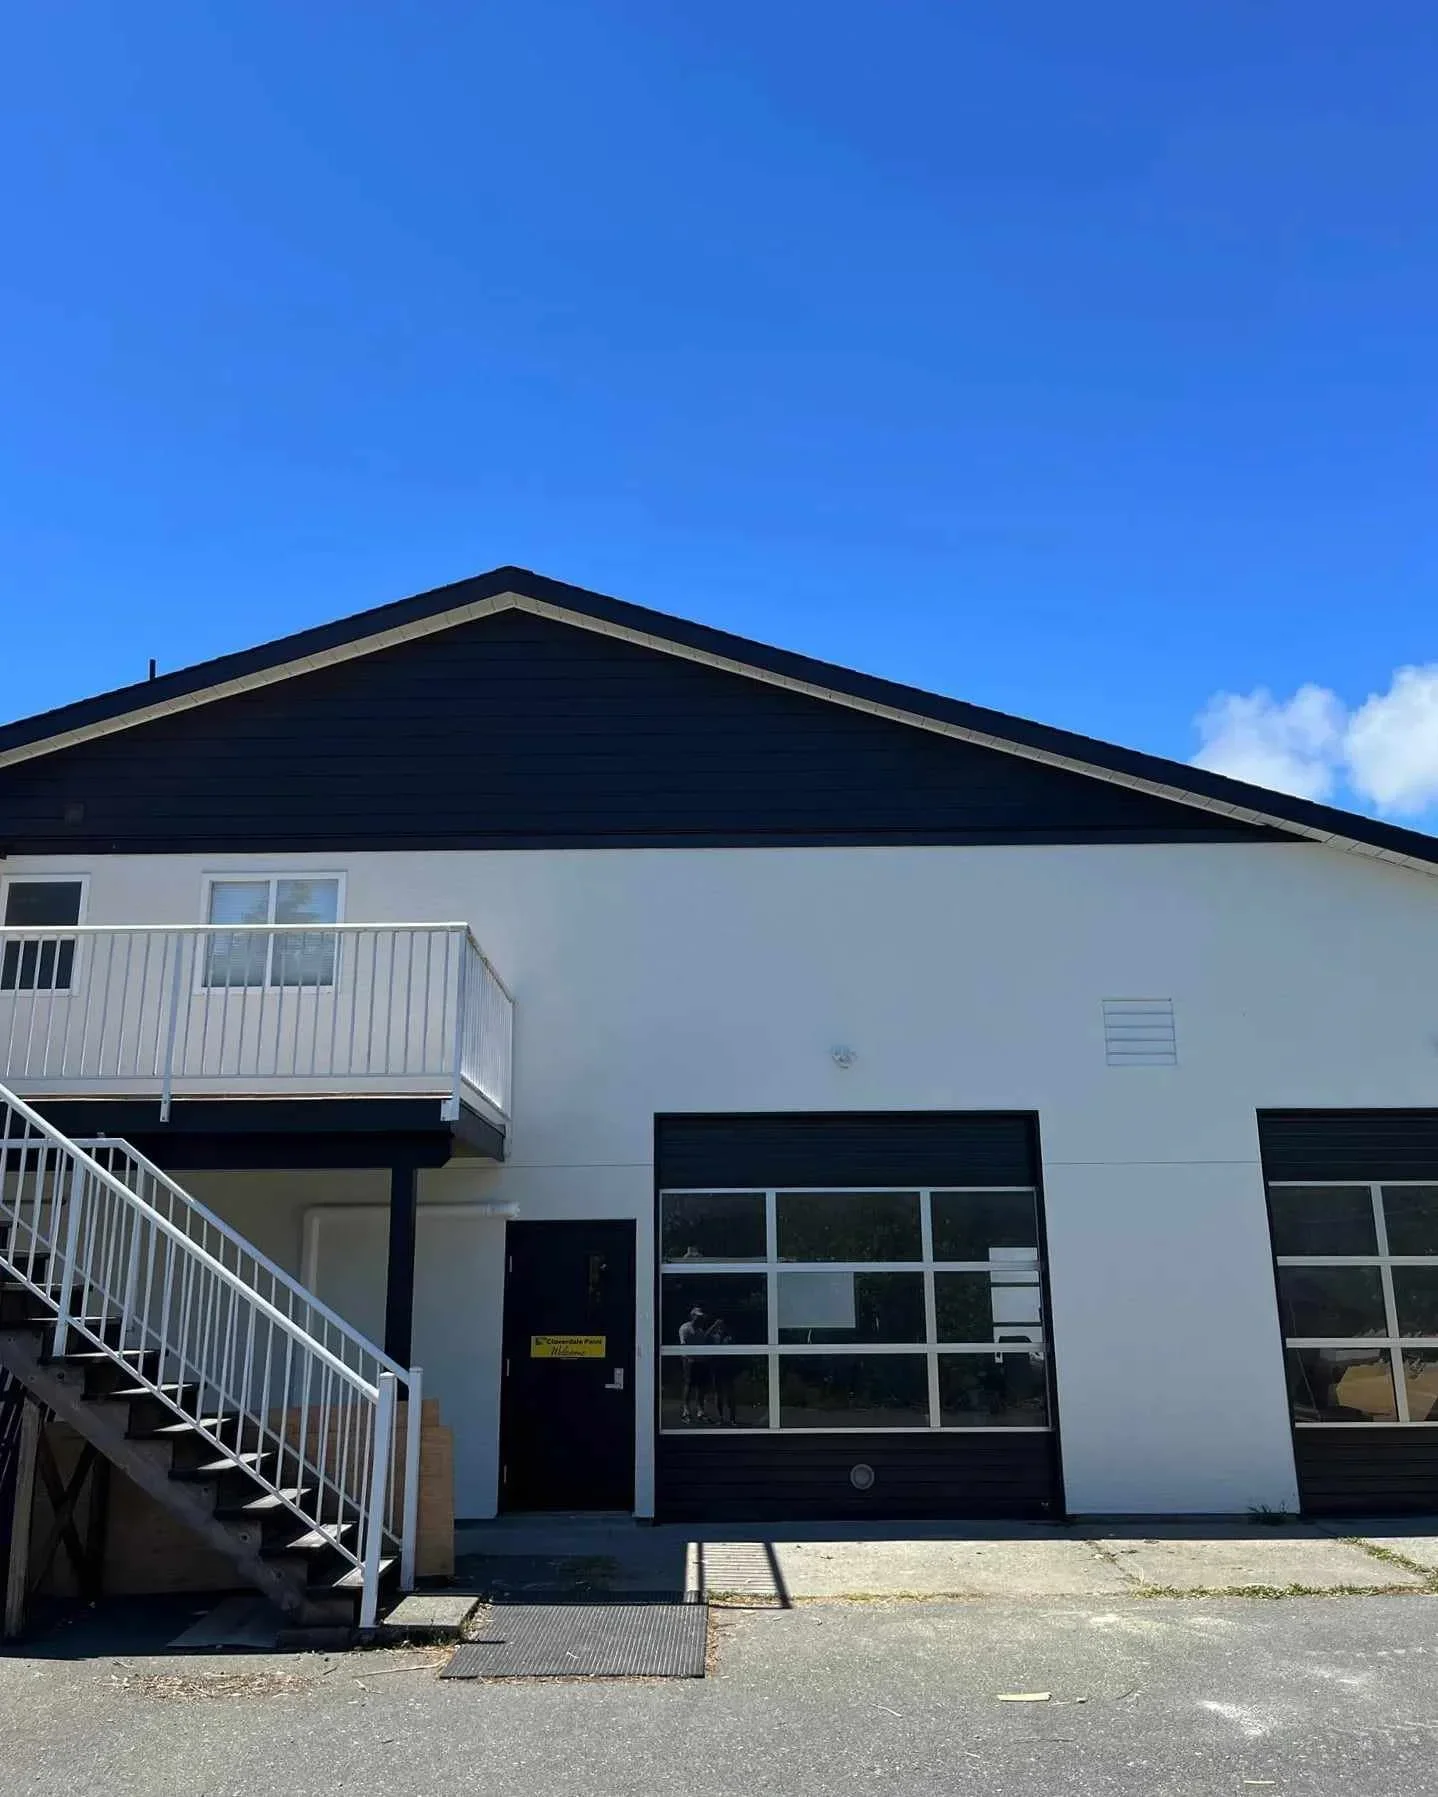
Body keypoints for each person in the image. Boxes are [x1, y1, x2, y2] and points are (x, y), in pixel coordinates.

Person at [678, 1305, 713, 1423]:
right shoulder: (685, 1328)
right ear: (692, 1316)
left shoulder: (700, 1330)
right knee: (688, 1384)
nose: (700, 1319)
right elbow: (683, 1345)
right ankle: (686, 1410)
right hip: (689, 1361)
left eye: (701, 1317)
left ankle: (700, 1411)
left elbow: (703, 1342)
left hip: (701, 1361)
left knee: (701, 1387)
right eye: (698, 1317)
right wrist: (687, 1359)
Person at [709, 1318, 738, 1425]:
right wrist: (714, 1325)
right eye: (719, 1327)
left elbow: (734, 1341)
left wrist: (727, 1331)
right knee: (718, 1393)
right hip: (717, 1368)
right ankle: (720, 1417)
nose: (721, 1328)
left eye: (722, 1326)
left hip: (727, 1367)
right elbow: (705, 1337)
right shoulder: (714, 1337)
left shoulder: (729, 1338)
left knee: (730, 1393)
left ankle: (732, 1418)